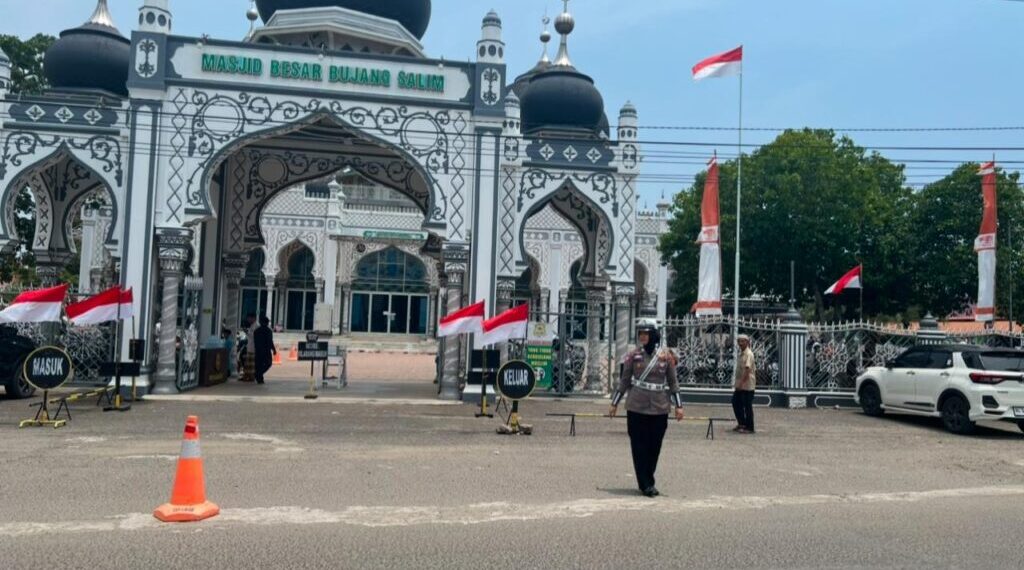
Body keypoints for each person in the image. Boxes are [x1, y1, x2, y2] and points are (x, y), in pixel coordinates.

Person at [608, 319, 684, 498]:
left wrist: (679, 406)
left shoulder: (666, 356)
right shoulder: (633, 356)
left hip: (659, 407)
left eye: (646, 333)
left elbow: (673, 383)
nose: (642, 336)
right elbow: (624, 381)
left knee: (654, 446)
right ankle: (645, 483)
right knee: (638, 446)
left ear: (654, 335)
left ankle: (648, 478)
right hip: (637, 407)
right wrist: (614, 403)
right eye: (640, 333)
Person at [732, 334, 756, 434]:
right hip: (740, 385)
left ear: (747, 342)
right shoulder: (741, 354)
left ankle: (750, 427)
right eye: (739, 341)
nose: (740, 343)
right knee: (736, 402)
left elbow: (747, 370)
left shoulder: (749, 354)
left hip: (747, 385)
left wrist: (741, 383)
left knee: (747, 406)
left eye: (743, 341)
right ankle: (742, 423)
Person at [253, 315, 277, 385]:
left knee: (259, 365)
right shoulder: (268, 331)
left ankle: (259, 378)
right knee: (268, 363)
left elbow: (255, 342)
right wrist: (273, 349)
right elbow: (270, 341)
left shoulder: (256, 331)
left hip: (258, 351)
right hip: (266, 351)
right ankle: (258, 375)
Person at [241, 313, 257, 382]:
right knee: (248, 364)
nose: (248, 320)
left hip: (253, 347)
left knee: (251, 364)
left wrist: (246, 332)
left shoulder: (256, 326)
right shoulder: (252, 325)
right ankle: (247, 376)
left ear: (253, 318)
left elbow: (254, 336)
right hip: (250, 346)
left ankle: (251, 377)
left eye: (249, 318)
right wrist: (247, 332)